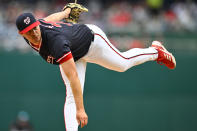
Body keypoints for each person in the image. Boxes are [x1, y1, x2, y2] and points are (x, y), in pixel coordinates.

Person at [15, 6, 176, 131]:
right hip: (73, 52)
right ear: (22, 34)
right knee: (70, 96)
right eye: (29, 31)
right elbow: (48, 19)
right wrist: (66, 13)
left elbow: (73, 77)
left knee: (122, 63)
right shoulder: (35, 31)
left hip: (92, 42)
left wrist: (81, 110)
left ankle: (156, 51)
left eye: (35, 28)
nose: (34, 32)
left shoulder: (55, 42)